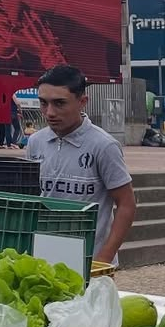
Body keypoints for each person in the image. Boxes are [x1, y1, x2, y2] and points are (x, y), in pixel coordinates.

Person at [27, 64, 135, 267]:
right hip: (42, 257)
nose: (49, 112)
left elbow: (127, 204)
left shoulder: (104, 146)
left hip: (88, 259)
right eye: (43, 103)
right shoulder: (35, 142)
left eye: (59, 103)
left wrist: (103, 260)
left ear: (82, 102)